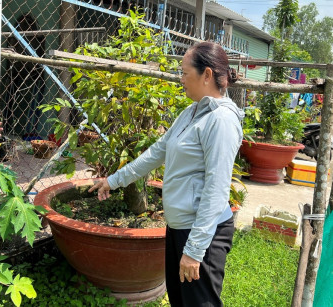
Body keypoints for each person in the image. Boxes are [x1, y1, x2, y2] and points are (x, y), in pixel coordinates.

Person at [89, 41, 244, 306]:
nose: (180, 79)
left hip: (201, 233)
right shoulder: (191, 112)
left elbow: (216, 190)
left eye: (184, 73)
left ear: (206, 75)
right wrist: (113, 181)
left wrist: (194, 252)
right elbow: (156, 153)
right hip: (179, 227)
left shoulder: (221, 121)